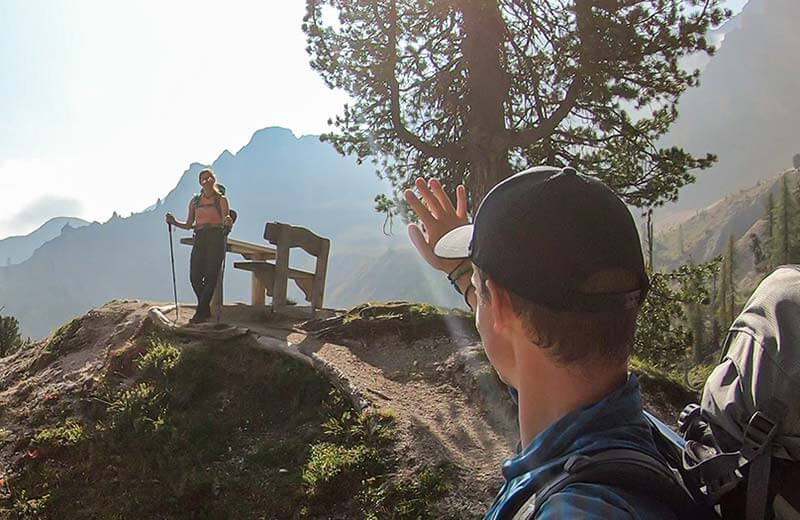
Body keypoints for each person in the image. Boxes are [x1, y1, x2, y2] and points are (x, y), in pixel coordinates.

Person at [404, 166, 677, 519]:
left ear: (500, 307)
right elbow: (518, 336)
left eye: (480, 288)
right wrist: (466, 275)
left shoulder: (574, 511)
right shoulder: (651, 441)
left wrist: (474, 277)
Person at [165, 168, 233, 324]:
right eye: (203, 178)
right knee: (195, 276)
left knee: (211, 274)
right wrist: (174, 222)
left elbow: (226, 220)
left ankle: (200, 313)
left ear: (213, 180)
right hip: (200, 236)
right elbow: (189, 224)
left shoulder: (221, 200)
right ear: (199, 182)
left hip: (216, 236)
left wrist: (228, 222)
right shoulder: (195, 201)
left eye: (208, 178)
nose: (206, 181)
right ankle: (204, 309)